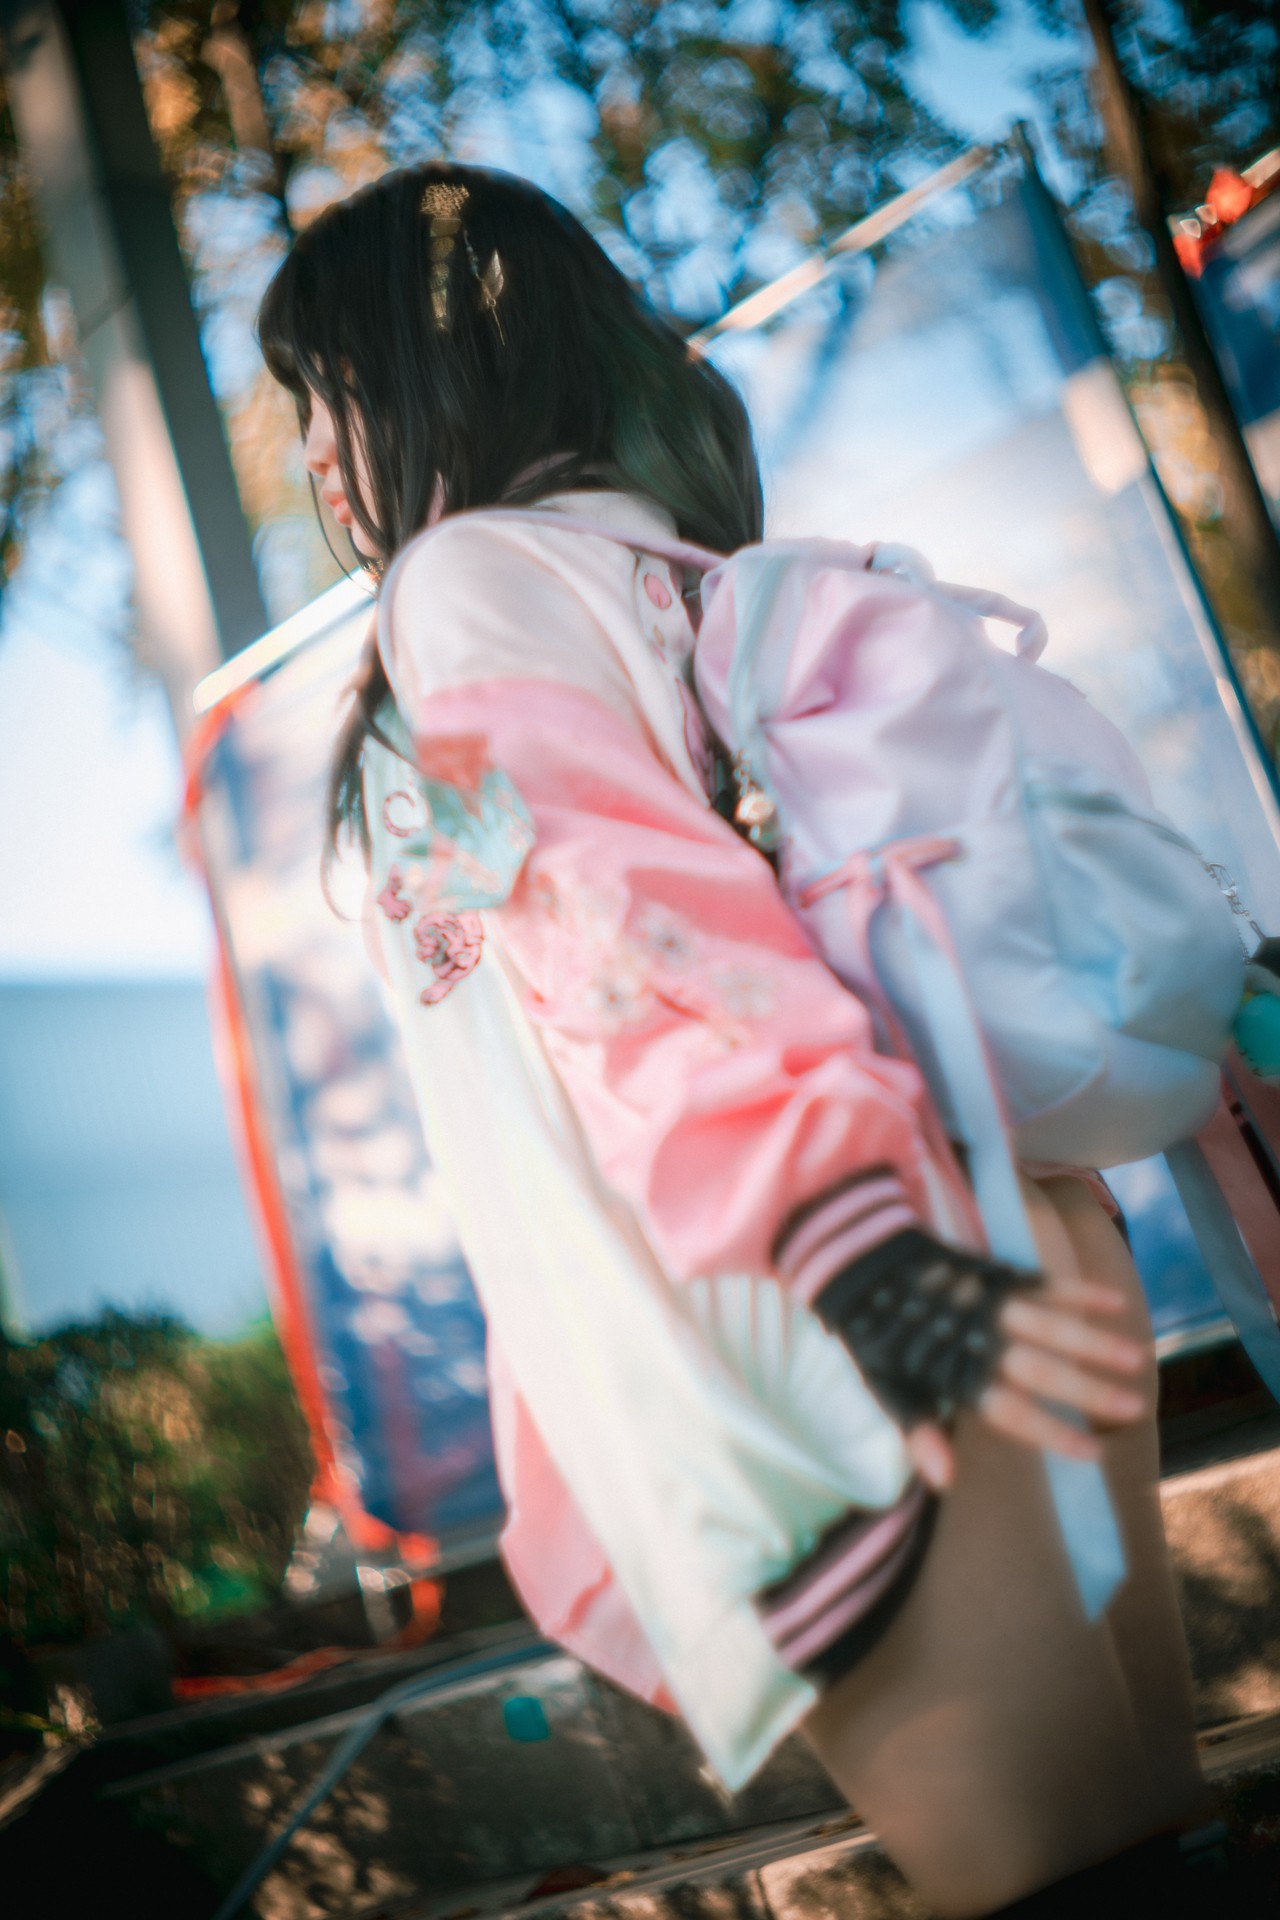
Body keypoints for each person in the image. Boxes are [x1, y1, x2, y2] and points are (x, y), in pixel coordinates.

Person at [258, 161, 1210, 1917]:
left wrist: (859, 1256)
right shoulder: (670, 569)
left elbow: (606, 931)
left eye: (331, 388)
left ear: (444, 362)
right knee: (1143, 1854)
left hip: (825, 1300)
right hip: (981, 1222)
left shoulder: (464, 586)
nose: (315, 451)